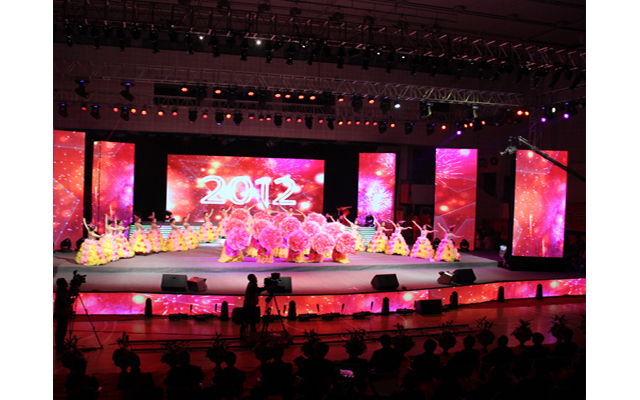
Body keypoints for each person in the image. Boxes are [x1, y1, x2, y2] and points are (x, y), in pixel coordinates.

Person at [54, 276, 81, 356]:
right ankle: (60, 346)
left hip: (63, 313)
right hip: (61, 314)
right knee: (61, 331)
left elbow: (67, 296)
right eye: (65, 283)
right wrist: (74, 289)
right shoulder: (60, 292)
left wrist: (73, 289)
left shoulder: (62, 291)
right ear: (61, 284)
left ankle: (60, 345)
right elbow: (65, 298)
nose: (66, 284)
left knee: (62, 330)